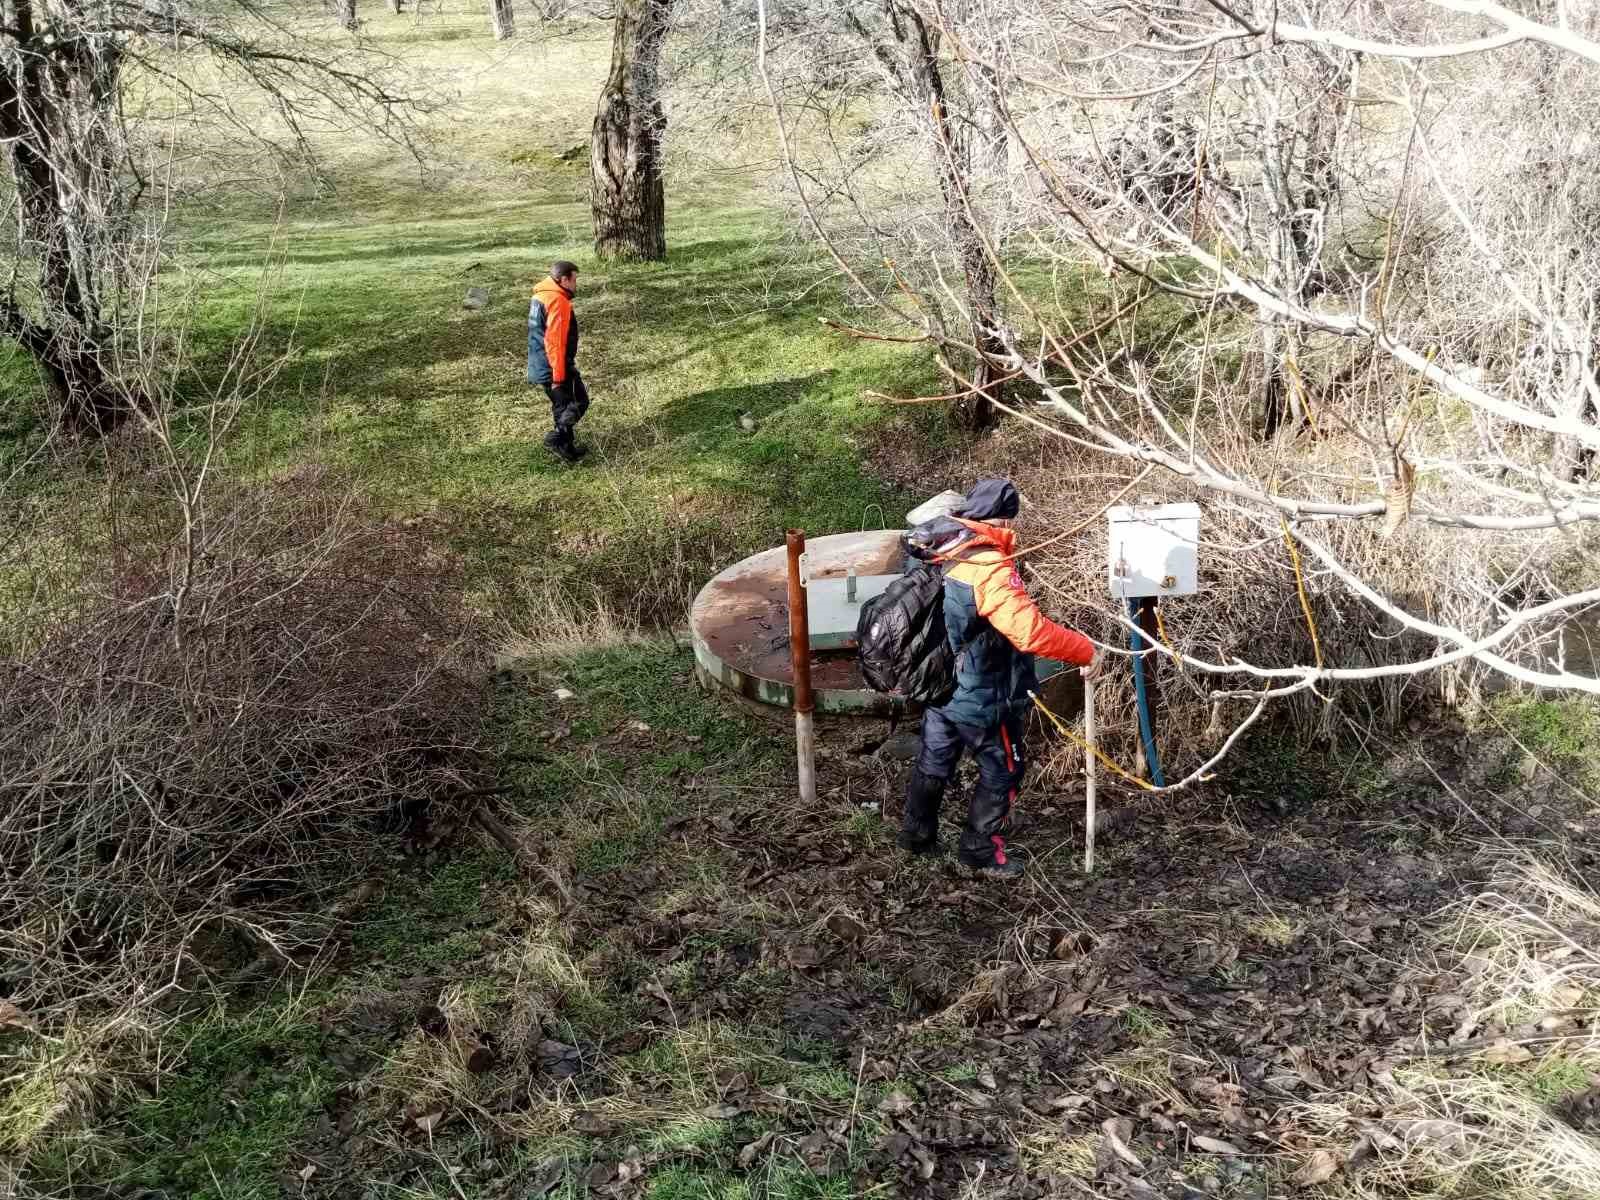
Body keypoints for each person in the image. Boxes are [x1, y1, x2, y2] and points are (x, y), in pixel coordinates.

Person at [898, 478, 1101, 878]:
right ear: (1004, 521)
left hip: (938, 685)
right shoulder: (988, 566)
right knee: (1003, 770)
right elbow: (1030, 631)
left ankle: (916, 836)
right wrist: (1085, 651)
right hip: (983, 696)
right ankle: (979, 851)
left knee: (934, 761)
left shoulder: (934, 548)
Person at [528, 260, 589, 463]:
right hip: (555, 365)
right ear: (564, 279)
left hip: (540, 363)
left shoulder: (540, 296)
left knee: (562, 407)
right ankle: (556, 439)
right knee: (580, 401)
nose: (575, 285)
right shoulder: (558, 301)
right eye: (574, 280)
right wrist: (559, 375)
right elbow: (555, 341)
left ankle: (567, 449)